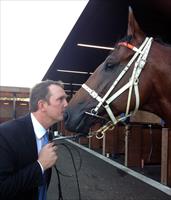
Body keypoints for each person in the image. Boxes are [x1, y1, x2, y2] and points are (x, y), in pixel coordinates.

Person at [0, 80, 68, 200]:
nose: (66, 104)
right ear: (42, 105)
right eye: (60, 99)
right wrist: (40, 165)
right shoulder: (5, 134)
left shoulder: (48, 135)